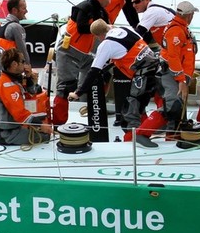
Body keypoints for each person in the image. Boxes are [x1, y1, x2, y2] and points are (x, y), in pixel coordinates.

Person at [67, 20, 163, 148]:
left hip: (143, 77)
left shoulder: (106, 44)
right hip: (157, 72)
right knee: (140, 105)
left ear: (97, 36)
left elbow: (93, 71)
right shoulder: (126, 29)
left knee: (128, 114)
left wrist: (78, 92)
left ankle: (132, 143)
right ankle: (152, 130)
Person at [52, 0, 138, 124]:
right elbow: (81, 27)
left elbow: (129, 15)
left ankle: (95, 116)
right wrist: (104, 28)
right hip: (69, 52)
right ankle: (58, 125)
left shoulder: (104, 11)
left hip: (87, 54)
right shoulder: (84, 7)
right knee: (65, 88)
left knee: (98, 79)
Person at [0, 48, 53, 146]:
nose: (25, 64)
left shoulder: (11, 79)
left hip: (11, 128)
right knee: (45, 137)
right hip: (6, 135)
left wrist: (29, 77)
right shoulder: (7, 85)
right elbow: (20, 114)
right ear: (14, 65)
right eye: (22, 61)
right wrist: (41, 125)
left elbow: (31, 93)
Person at [158, 1, 199, 136]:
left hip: (180, 74)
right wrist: (181, 79)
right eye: (192, 14)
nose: (193, 17)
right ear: (188, 15)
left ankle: (177, 134)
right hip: (173, 75)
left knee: (179, 107)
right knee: (173, 106)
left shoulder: (182, 28)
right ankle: (170, 136)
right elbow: (173, 57)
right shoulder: (176, 30)